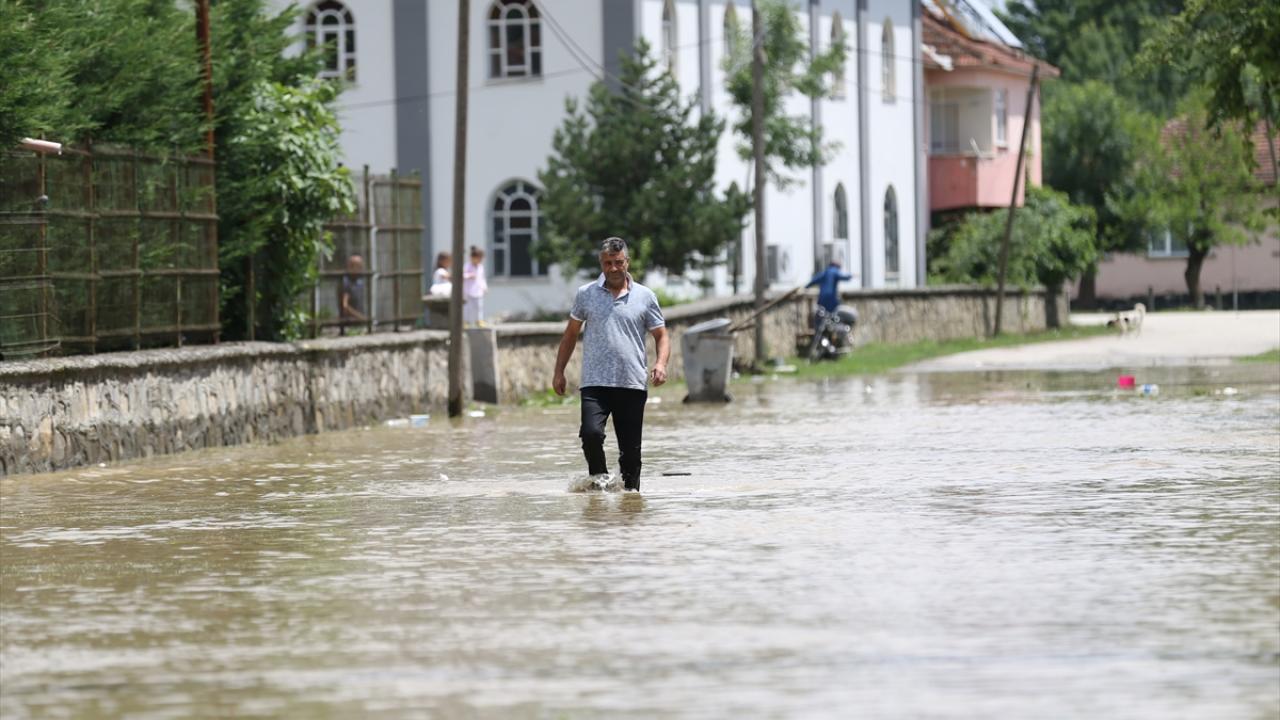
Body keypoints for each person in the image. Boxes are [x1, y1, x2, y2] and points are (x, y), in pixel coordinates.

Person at [553, 237, 670, 492]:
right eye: (608, 263)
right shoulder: (586, 294)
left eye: (618, 262)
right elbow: (570, 334)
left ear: (627, 262)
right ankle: (600, 481)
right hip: (595, 382)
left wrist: (661, 364)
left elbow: (661, 335)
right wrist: (559, 371)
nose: (613, 268)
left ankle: (630, 506)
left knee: (631, 454)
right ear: (601, 263)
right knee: (591, 434)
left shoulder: (645, 296)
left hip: (631, 382)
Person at [463, 246, 488, 326]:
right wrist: (469, 276)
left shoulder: (480, 267)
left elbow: (482, 278)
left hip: (478, 290)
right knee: (467, 308)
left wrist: (484, 287)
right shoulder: (467, 266)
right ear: (472, 257)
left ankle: (479, 320)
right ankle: (465, 321)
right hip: (468, 291)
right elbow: (462, 275)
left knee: (479, 307)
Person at [339, 254, 368, 323]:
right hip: (350, 323)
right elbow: (345, 306)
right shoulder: (346, 282)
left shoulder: (359, 281)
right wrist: (361, 318)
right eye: (359, 266)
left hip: (358, 321)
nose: (361, 268)